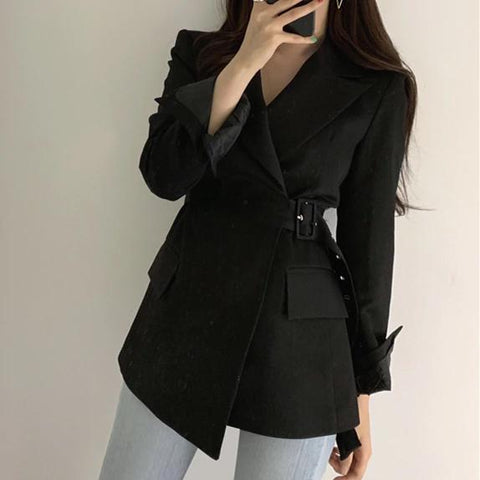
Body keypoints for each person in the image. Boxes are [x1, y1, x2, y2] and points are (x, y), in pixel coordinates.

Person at [99, 0, 417, 478]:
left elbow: (369, 248)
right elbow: (164, 176)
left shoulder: (377, 86)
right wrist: (244, 62)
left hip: (302, 339)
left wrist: (360, 394)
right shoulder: (202, 54)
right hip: (186, 311)